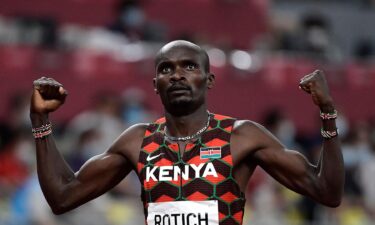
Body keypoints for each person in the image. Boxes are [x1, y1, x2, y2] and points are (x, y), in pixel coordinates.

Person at [30, 40, 344, 225]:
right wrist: (40, 120)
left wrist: (327, 113)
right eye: (166, 69)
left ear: (209, 80)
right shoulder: (138, 140)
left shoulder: (241, 136)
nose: (177, 74)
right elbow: (62, 196)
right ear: (155, 85)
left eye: (189, 67)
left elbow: (327, 191)